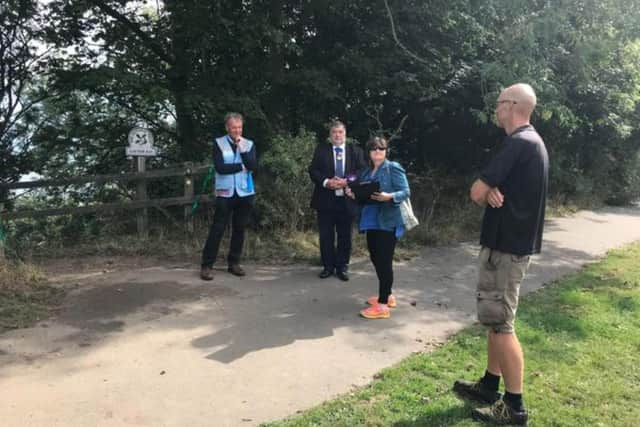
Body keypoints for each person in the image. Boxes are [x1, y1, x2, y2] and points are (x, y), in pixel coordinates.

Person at [452, 83, 548, 426]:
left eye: (499, 103)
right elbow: (490, 189)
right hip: (508, 247)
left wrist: (486, 188)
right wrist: (491, 188)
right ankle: (490, 385)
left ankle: (515, 406)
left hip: (506, 250)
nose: (496, 109)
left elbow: (476, 191)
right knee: (494, 320)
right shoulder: (532, 142)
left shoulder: (518, 142)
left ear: (512, 105)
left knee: (502, 325)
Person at [346, 136, 410, 319]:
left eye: (381, 149)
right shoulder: (367, 172)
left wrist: (389, 196)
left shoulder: (393, 168)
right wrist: (353, 194)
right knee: (375, 258)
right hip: (371, 221)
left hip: (388, 221)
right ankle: (387, 296)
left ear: (386, 151)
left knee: (384, 261)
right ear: (369, 152)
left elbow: (406, 191)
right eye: (374, 149)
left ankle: (382, 306)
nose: (377, 152)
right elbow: (363, 193)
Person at [200, 112, 258, 281]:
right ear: (227, 127)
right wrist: (241, 166)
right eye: (233, 127)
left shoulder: (248, 143)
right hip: (225, 193)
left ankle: (234, 263)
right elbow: (220, 167)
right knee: (218, 228)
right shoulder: (218, 143)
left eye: (239, 127)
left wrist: (242, 149)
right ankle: (206, 265)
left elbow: (253, 165)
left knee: (239, 228)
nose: (237, 131)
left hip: (245, 192)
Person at [308, 120, 366, 281]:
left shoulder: (355, 151)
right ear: (330, 135)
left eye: (340, 132)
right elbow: (313, 170)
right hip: (325, 200)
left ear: (345, 134)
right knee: (326, 236)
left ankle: (342, 267)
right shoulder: (321, 150)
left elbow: (361, 171)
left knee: (345, 236)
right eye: (334, 132)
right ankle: (327, 266)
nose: (337, 135)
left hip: (347, 200)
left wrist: (347, 180)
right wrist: (327, 182)